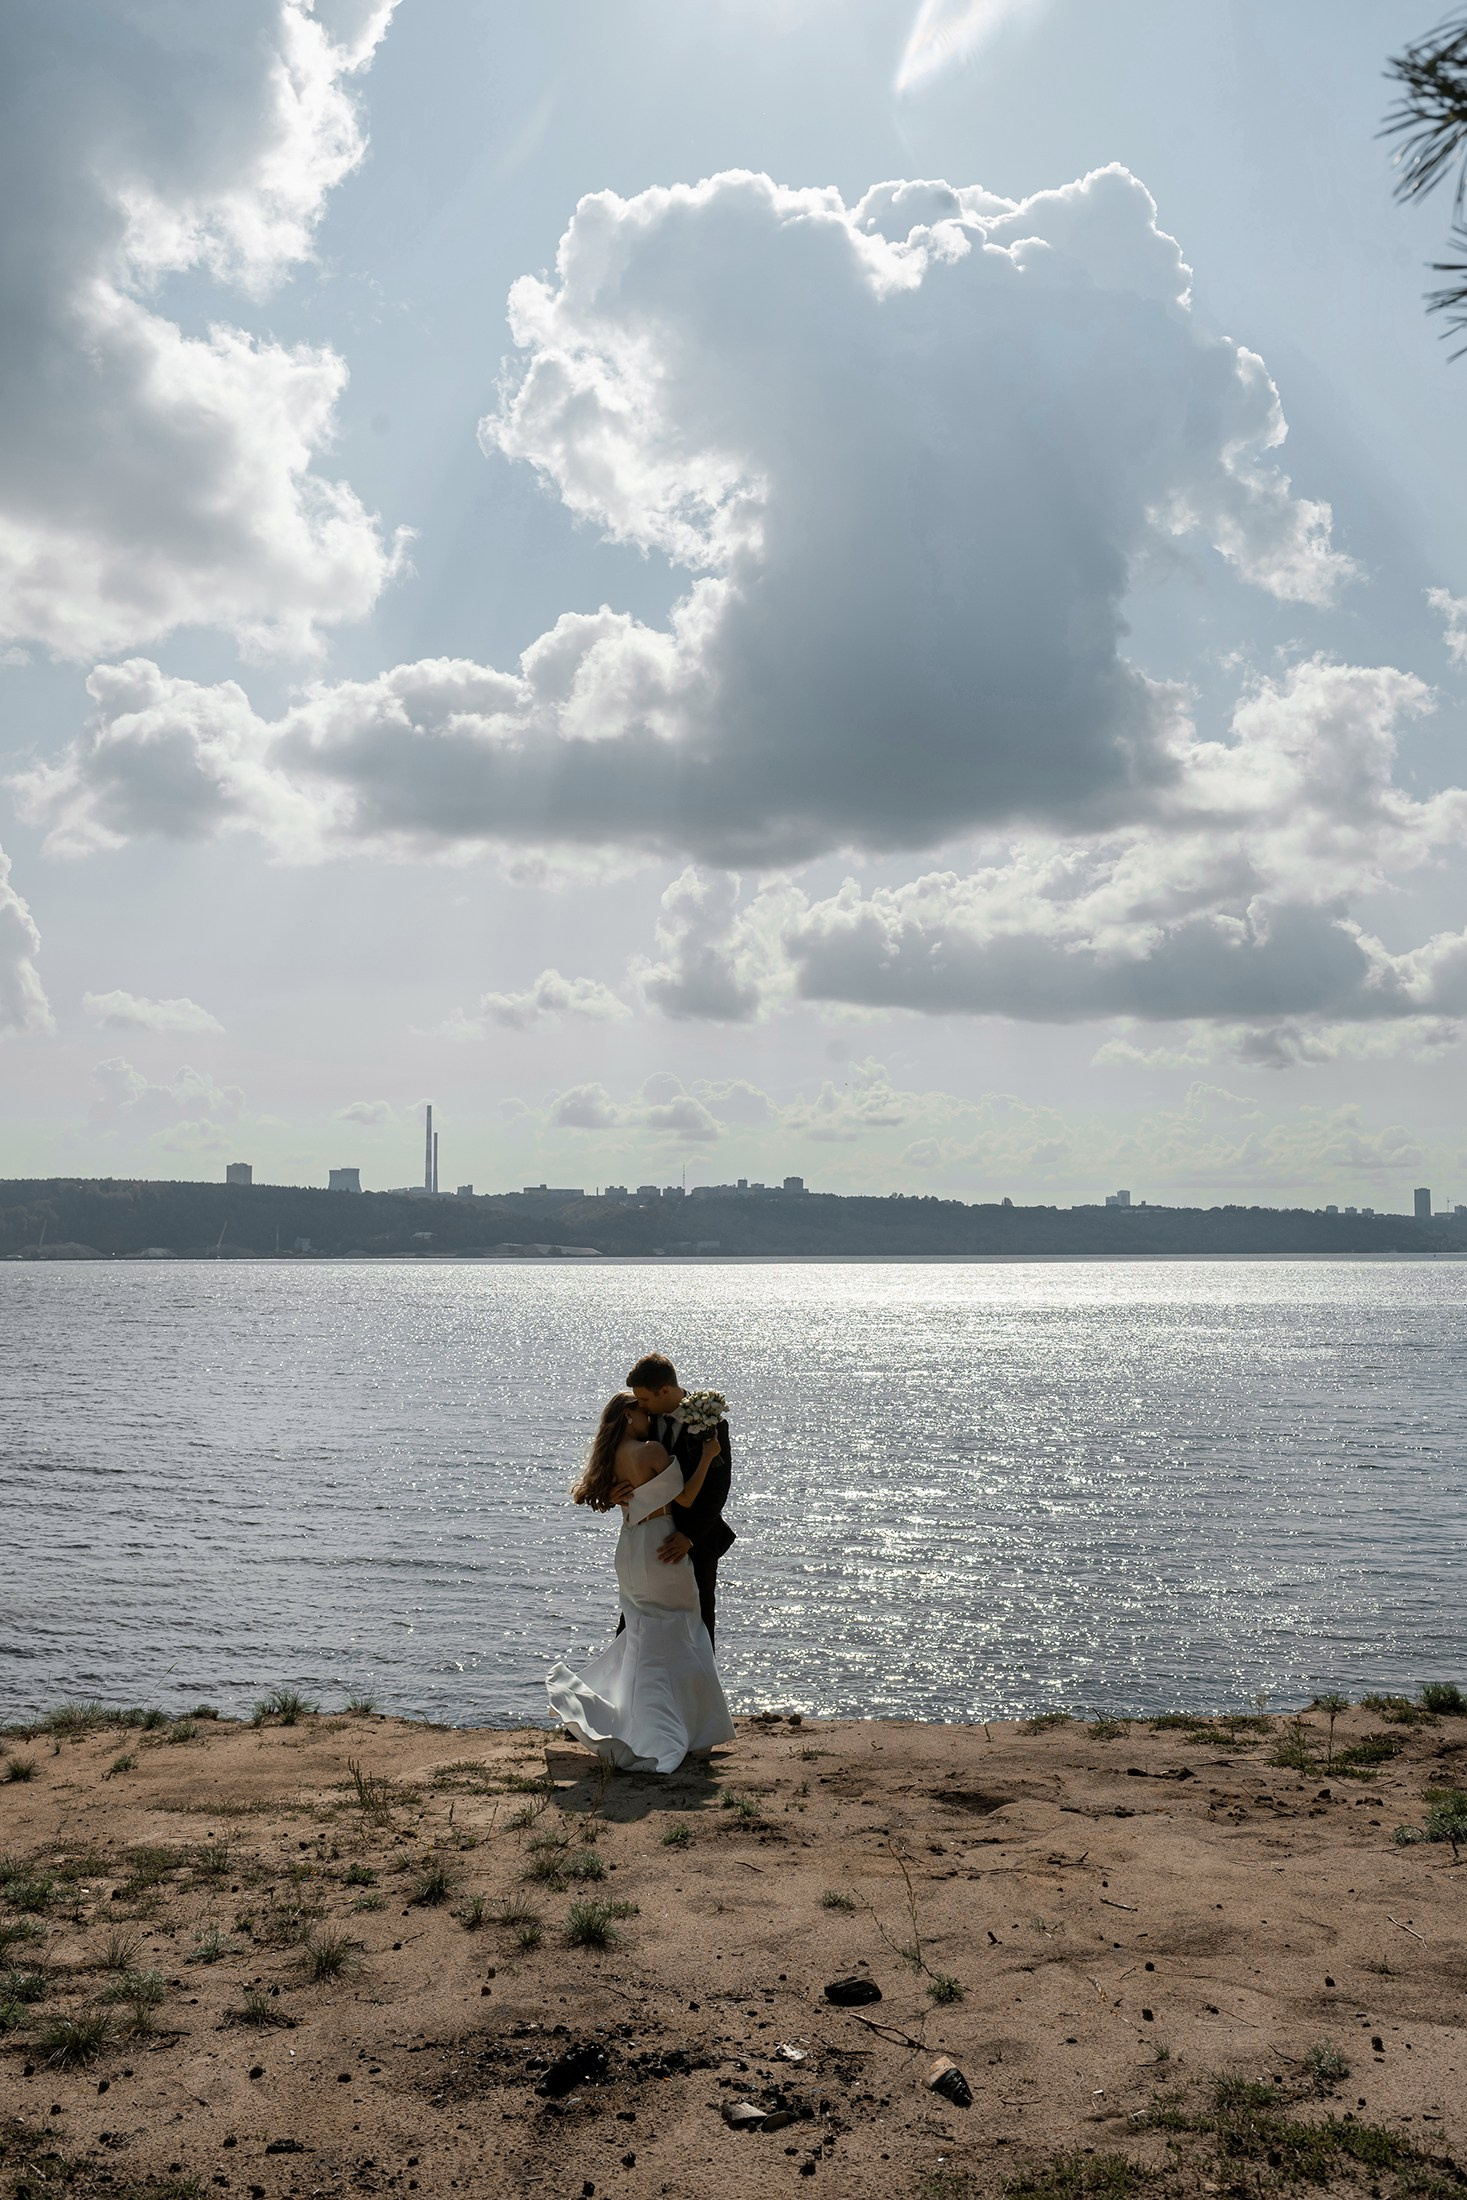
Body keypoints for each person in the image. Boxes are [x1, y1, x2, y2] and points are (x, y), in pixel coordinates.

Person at [546, 1392, 735, 1773]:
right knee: (685, 1626)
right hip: (658, 1547)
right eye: (642, 1409)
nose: (648, 1415)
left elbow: (593, 1493)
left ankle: (640, 1718)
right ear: (629, 1416)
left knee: (643, 1633)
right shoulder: (650, 1450)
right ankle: (672, 1727)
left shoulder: (608, 1454)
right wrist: (708, 1456)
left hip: (629, 1548)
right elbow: (686, 1498)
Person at [622, 1352, 734, 1645]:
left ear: (664, 1391)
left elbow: (718, 1488)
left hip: (695, 1543)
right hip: (650, 1539)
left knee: (698, 1623)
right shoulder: (641, 1421)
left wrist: (690, 1537)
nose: (640, 1405)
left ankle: (699, 1676)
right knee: (634, 1618)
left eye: (644, 1399)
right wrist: (613, 1492)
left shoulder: (712, 1423)